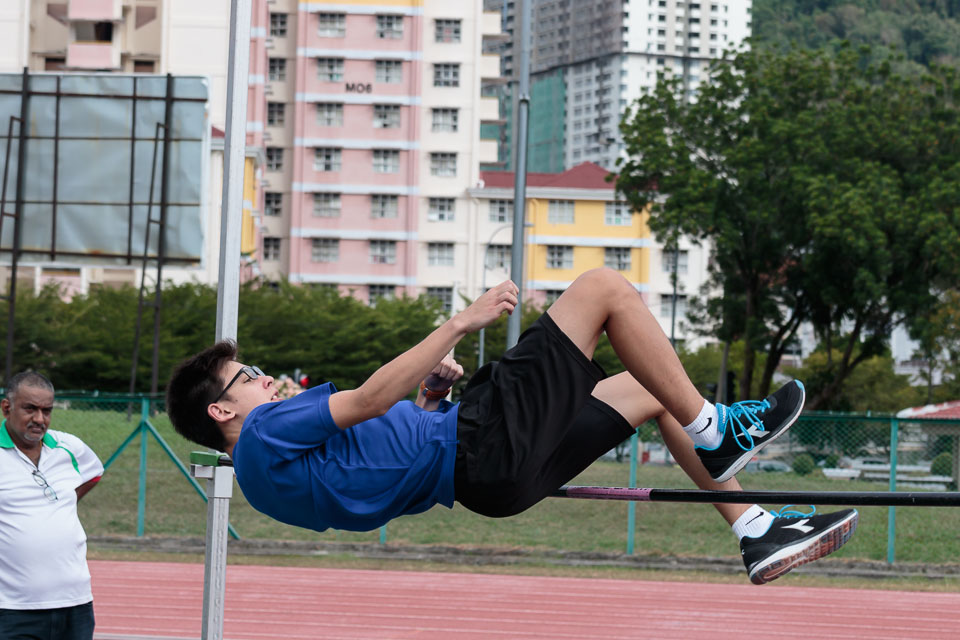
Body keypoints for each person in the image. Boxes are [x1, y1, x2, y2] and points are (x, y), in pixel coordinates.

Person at [167, 268, 858, 585]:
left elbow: (379, 468)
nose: (263, 378)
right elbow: (372, 399)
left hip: (486, 480)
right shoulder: (265, 432)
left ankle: (754, 531)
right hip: (480, 444)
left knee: (648, 389)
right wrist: (460, 321)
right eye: (246, 375)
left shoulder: (265, 482)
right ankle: (715, 428)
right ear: (221, 411)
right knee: (602, 290)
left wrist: (430, 400)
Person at [0, 371, 104, 639]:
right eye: (30, 409)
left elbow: (93, 474)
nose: (39, 419)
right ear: (7, 408)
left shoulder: (69, 447)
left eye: (46, 411)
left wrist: (57, 506)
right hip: (12, 609)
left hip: (76, 605)